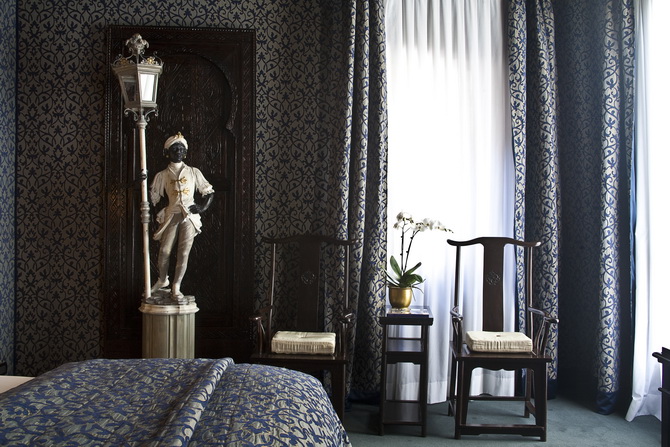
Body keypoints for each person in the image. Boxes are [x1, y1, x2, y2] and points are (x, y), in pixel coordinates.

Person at [150, 132, 214, 298]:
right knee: (164, 250)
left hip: (189, 217)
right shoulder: (162, 175)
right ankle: (162, 279)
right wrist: (142, 182)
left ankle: (176, 285)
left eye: (181, 149)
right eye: (174, 149)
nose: (178, 151)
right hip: (171, 215)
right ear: (167, 152)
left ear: (185, 152)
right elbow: (152, 198)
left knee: (183, 253)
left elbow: (208, 192)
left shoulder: (193, 172)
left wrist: (202, 207)